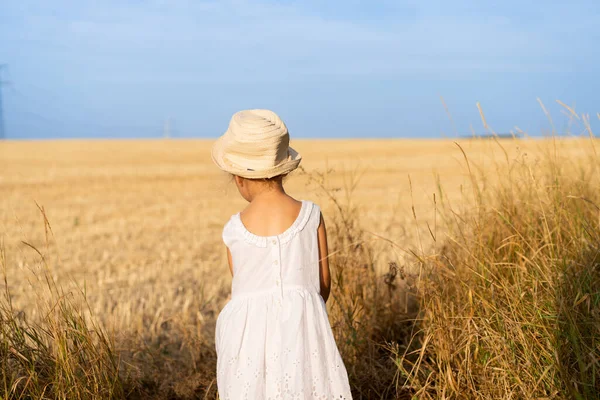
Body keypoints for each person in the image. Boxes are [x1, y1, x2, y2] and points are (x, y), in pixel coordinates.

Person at [212, 109, 352, 399]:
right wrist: (299, 313)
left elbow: (240, 289)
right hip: (302, 337)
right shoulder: (311, 216)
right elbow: (323, 285)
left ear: (238, 178)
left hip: (247, 346)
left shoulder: (234, 230)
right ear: (285, 169)